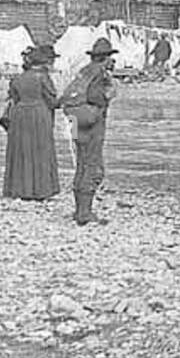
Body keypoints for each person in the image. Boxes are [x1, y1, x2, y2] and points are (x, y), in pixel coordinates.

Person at [63, 37, 117, 225]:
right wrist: (109, 93)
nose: (113, 62)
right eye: (111, 58)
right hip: (92, 123)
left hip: (76, 122)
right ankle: (85, 213)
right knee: (93, 166)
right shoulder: (101, 75)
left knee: (81, 163)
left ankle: (79, 210)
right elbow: (96, 98)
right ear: (106, 58)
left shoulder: (84, 71)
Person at [3, 44, 61, 201]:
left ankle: (19, 189)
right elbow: (52, 101)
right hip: (39, 114)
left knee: (21, 150)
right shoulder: (43, 77)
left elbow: (13, 99)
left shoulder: (17, 79)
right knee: (40, 149)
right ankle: (40, 189)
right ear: (42, 63)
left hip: (20, 115)